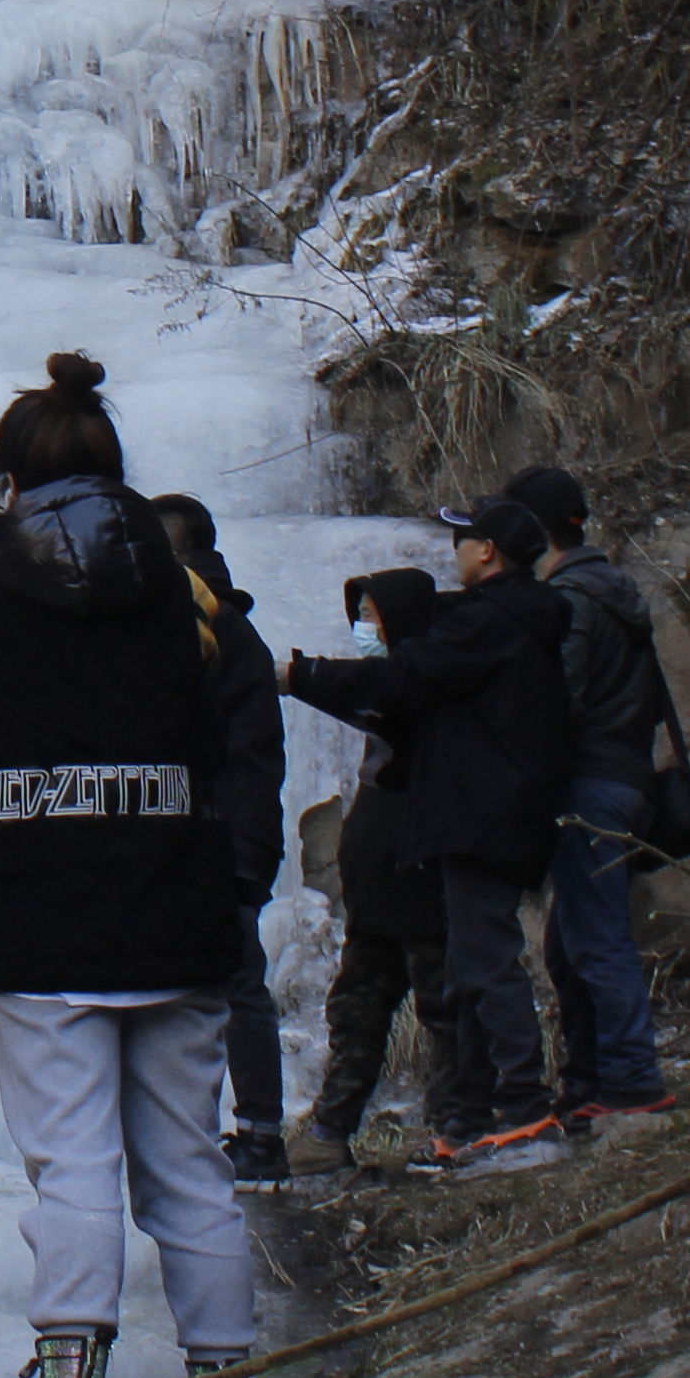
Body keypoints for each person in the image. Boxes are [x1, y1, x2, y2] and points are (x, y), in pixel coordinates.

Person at [0, 353, 261, 1378]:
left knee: (71, 1160)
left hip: (39, 907)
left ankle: (72, 1368)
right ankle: (229, 1370)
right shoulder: (187, 588)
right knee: (191, 1164)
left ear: (8, 479)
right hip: (178, 897)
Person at [279, 501, 576, 1178]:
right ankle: (465, 1121)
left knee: (472, 978)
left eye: (463, 538)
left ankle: (514, 1111)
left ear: (489, 550)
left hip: (462, 836)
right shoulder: (507, 626)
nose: (456, 549)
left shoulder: (479, 632)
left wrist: (302, 678)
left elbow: (396, 688)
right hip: (441, 850)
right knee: (451, 979)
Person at [505, 466, 676, 1126]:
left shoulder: (572, 599)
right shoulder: (616, 591)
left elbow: (559, 699)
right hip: (625, 777)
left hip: (590, 785)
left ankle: (632, 1082)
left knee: (596, 938)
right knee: (572, 939)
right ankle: (589, 1082)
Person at [140, 492, 292, 1180]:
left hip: (217, 831)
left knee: (231, 986)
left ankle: (256, 1132)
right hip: (238, 829)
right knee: (225, 984)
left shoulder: (200, 623)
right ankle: (240, 1129)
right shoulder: (227, 623)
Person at [302, 568, 453, 1165]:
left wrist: (299, 678)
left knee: (446, 1010)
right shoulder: (391, 684)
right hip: (377, 888)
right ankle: (329, 1131)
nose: (364, 627)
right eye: (359, 615)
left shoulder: (425, 682)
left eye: (372, 615)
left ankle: (453, 1127)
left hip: (423, 880)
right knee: (355, 1010)